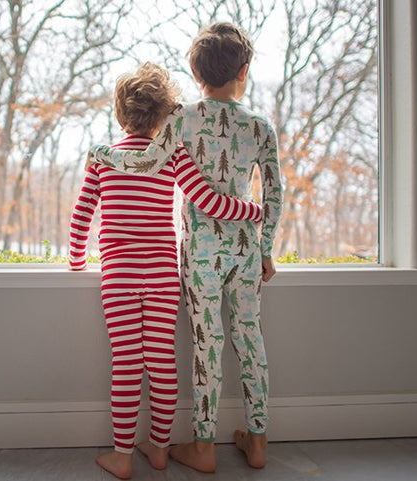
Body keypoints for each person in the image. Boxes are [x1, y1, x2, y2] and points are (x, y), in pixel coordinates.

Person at [89, 23, 284, 472]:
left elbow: (145, 160)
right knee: (251, 341)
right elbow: (273, 194)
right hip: (245, 250)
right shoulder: (260, 126)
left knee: (207, 345)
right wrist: (266, 248)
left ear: (195, 73)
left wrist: (103, 155)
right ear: (244, 70)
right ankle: (257, 441)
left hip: (201, 254)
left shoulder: (182, 119)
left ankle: (203, 447)